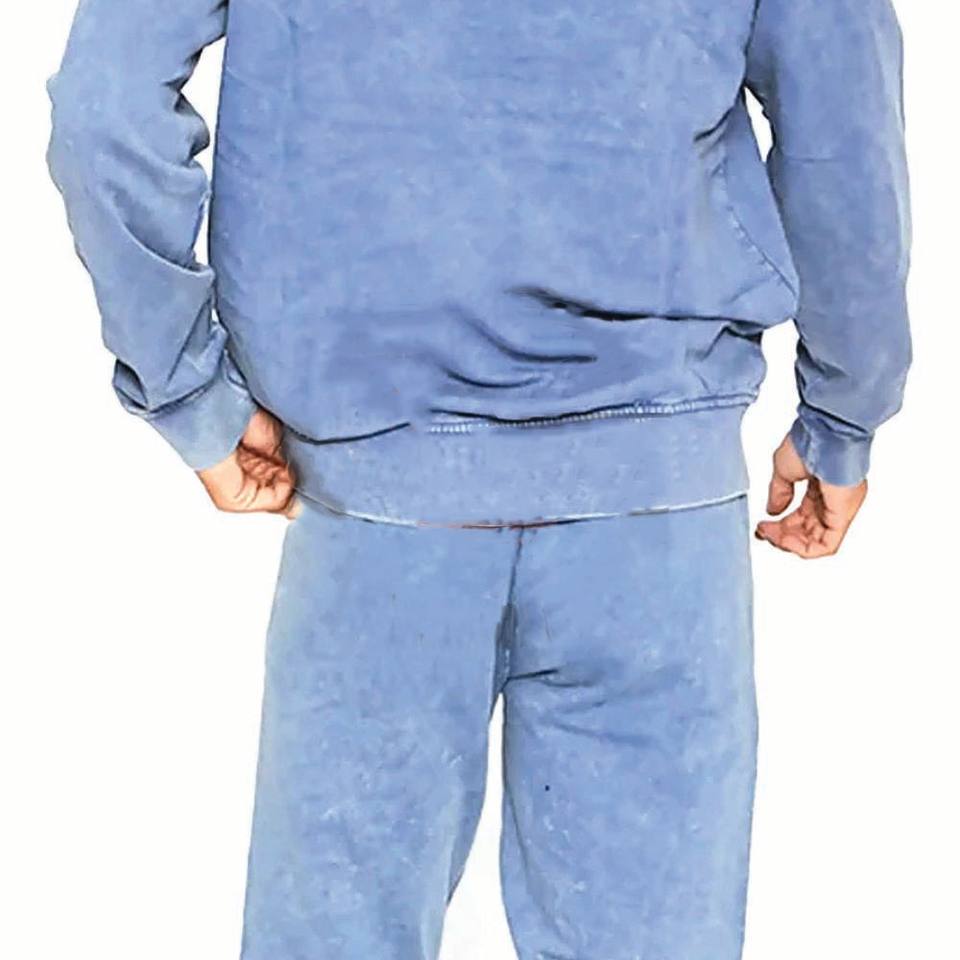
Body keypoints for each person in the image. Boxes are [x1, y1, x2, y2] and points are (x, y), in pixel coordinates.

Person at [46, 0, 911, 957]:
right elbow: (842, 119)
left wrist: (189, 391)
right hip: (654, 517)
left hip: (377, 512)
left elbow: (105, 109)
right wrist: (845, 406)